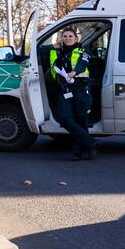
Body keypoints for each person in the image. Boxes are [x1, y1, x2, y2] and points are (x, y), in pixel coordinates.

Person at [50, 27, 98, 159]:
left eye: (70, 36)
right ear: (61, 38)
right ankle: (90, 143)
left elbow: (83, 64)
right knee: (64, 119)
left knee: (80, 119)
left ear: (76, 38)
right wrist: (53, 47)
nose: (67, 38)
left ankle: (79, 152)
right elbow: (46, 58)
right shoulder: (58, 52)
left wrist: (74, 72)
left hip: (80, 88)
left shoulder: (83, 51)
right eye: (65, 36)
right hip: (65, 89)